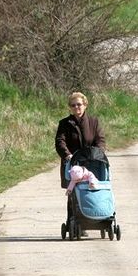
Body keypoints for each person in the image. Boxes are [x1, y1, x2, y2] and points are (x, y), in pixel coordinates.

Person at [55, 91, 106, 234]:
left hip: (92, 164)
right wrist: (67, 155)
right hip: (72, 165)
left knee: (90, 191)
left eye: (79, 104)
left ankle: (95, 217)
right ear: (70, 107)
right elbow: (60, 141)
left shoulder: (94, 122)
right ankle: (74, 222)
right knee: (73, 195)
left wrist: (98, 154)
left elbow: (100, 140)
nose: (76, 107)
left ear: (85, 105)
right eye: (73, 105)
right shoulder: (64, 123)